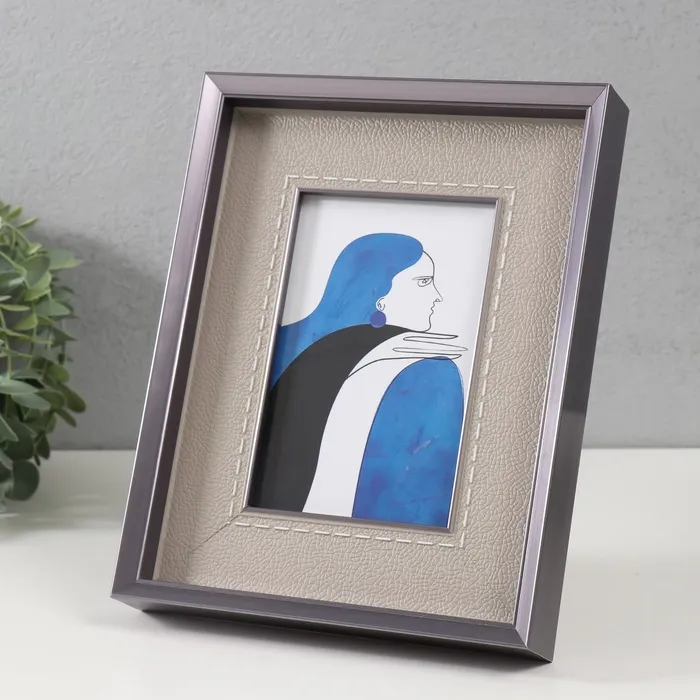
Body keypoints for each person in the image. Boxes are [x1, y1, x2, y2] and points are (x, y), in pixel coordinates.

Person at [248, 233, 465, 527]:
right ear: (380, 295)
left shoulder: (283, 342)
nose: (437, 296)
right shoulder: (428, 372)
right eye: (424, 282)